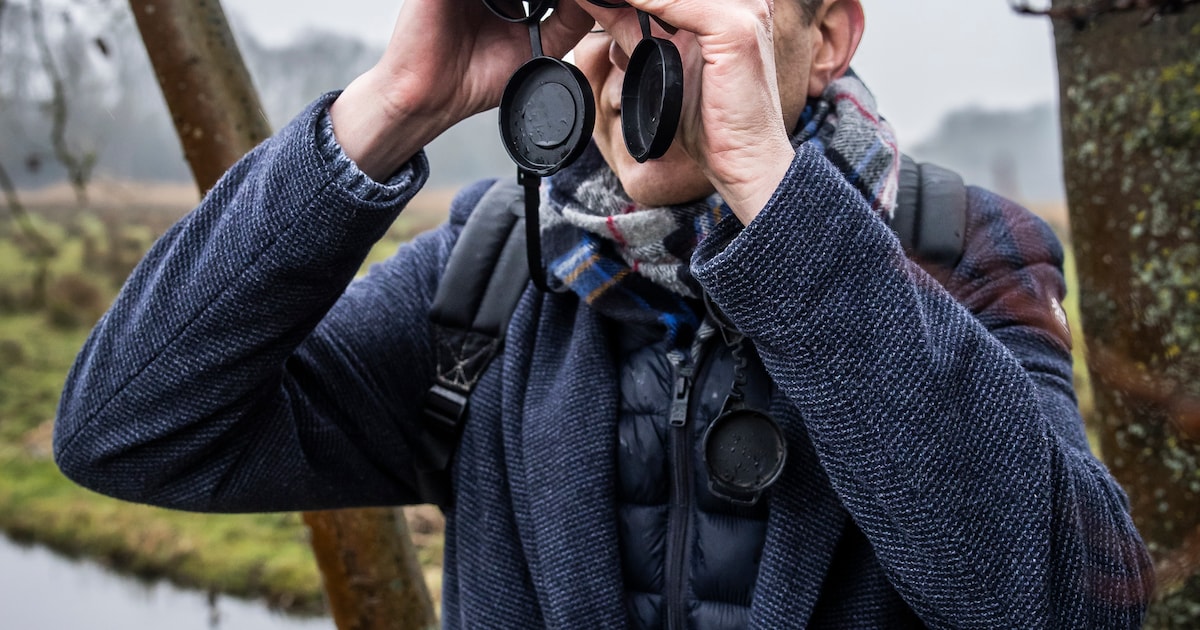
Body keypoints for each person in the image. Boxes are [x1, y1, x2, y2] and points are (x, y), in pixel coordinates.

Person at [53, 0, 1153, 627]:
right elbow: (128, 428)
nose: (634, 53)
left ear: (827, 38)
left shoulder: (960, 249)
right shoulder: (500, 267)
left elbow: (1075, 608)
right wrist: (395, 105)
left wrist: (779, 210)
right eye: (606, 18)